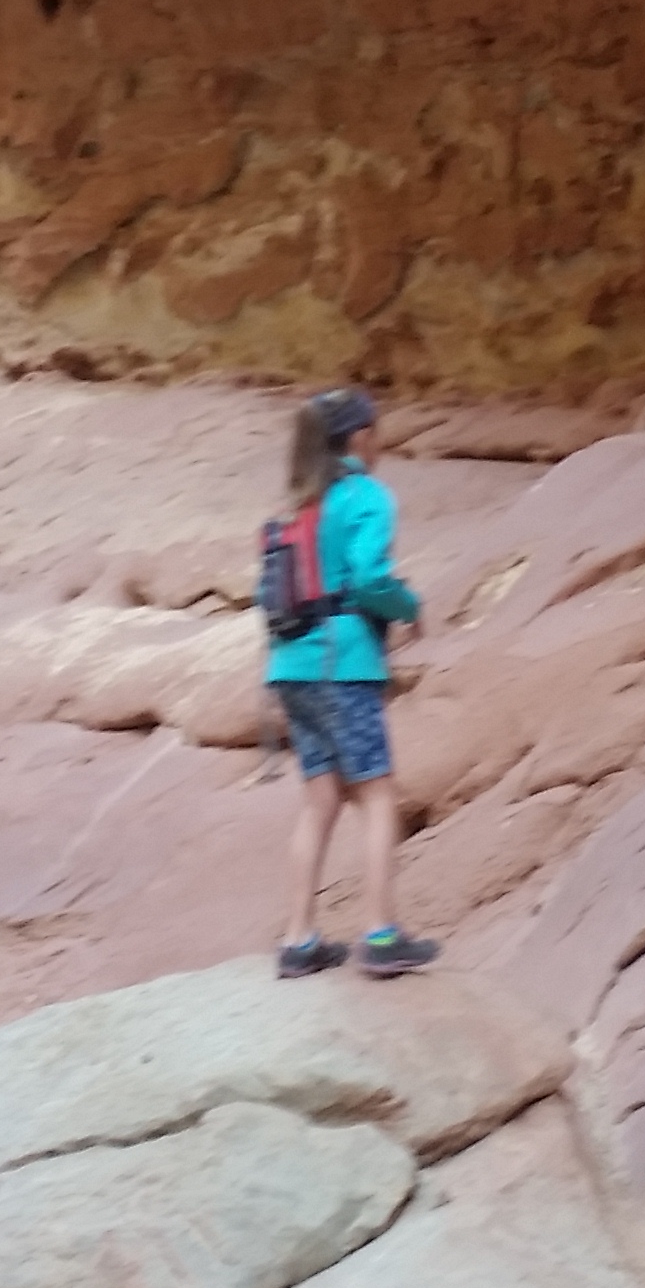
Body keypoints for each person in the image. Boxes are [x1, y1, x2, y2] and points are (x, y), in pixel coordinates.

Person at [259, 385, 435, 979]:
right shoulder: (364, 497)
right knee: (378, 794)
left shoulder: (299, 504)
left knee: (321, 800)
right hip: (342, 664)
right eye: (377, 432)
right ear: (360, 438)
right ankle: (381, 934)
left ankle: (298, 939)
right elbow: (367, 579)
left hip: (291, 669)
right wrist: (408, 606)